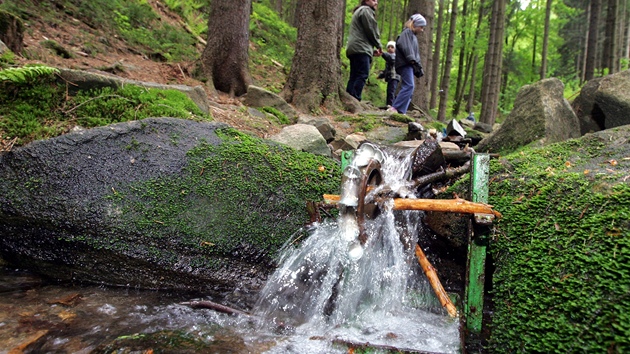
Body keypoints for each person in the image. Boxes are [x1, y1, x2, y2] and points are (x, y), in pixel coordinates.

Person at [387, 14, 426, 115]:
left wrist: (418, 67)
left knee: (409, 88)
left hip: (408, 64)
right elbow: (404, 46)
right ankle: (395, 108)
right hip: (405, 64)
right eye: (421, 27)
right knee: (409, 86)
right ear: (415, 24)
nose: (422, 30)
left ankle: (401, 111)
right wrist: (411, 59)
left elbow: (415, 53)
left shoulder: (413, 36)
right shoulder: (407, 33)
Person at [346, 0, 382, 101]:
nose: (376, 2)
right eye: (373, 0)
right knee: (362, 74)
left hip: (355, 48)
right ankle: (355, 99)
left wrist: (371, 50)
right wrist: (378, 44)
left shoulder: (359, 11)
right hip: (360, 48)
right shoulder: (366, 10)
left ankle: (349, 99)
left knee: (354, 75)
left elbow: (362, 33)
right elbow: (370, 29)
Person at [379, 41, 400, 107]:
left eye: (392, 47)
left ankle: (391, 105)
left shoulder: (395, 56)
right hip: (390, 77)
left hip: (394, 76)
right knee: (389, 91)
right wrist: (381, 75)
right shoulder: (388, 58)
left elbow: (391, 59)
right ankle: (389, 104)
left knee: (391, 91)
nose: (390, 48)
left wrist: (382, 53)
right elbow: (387, 70)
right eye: (388, 47)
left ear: (395, 49)